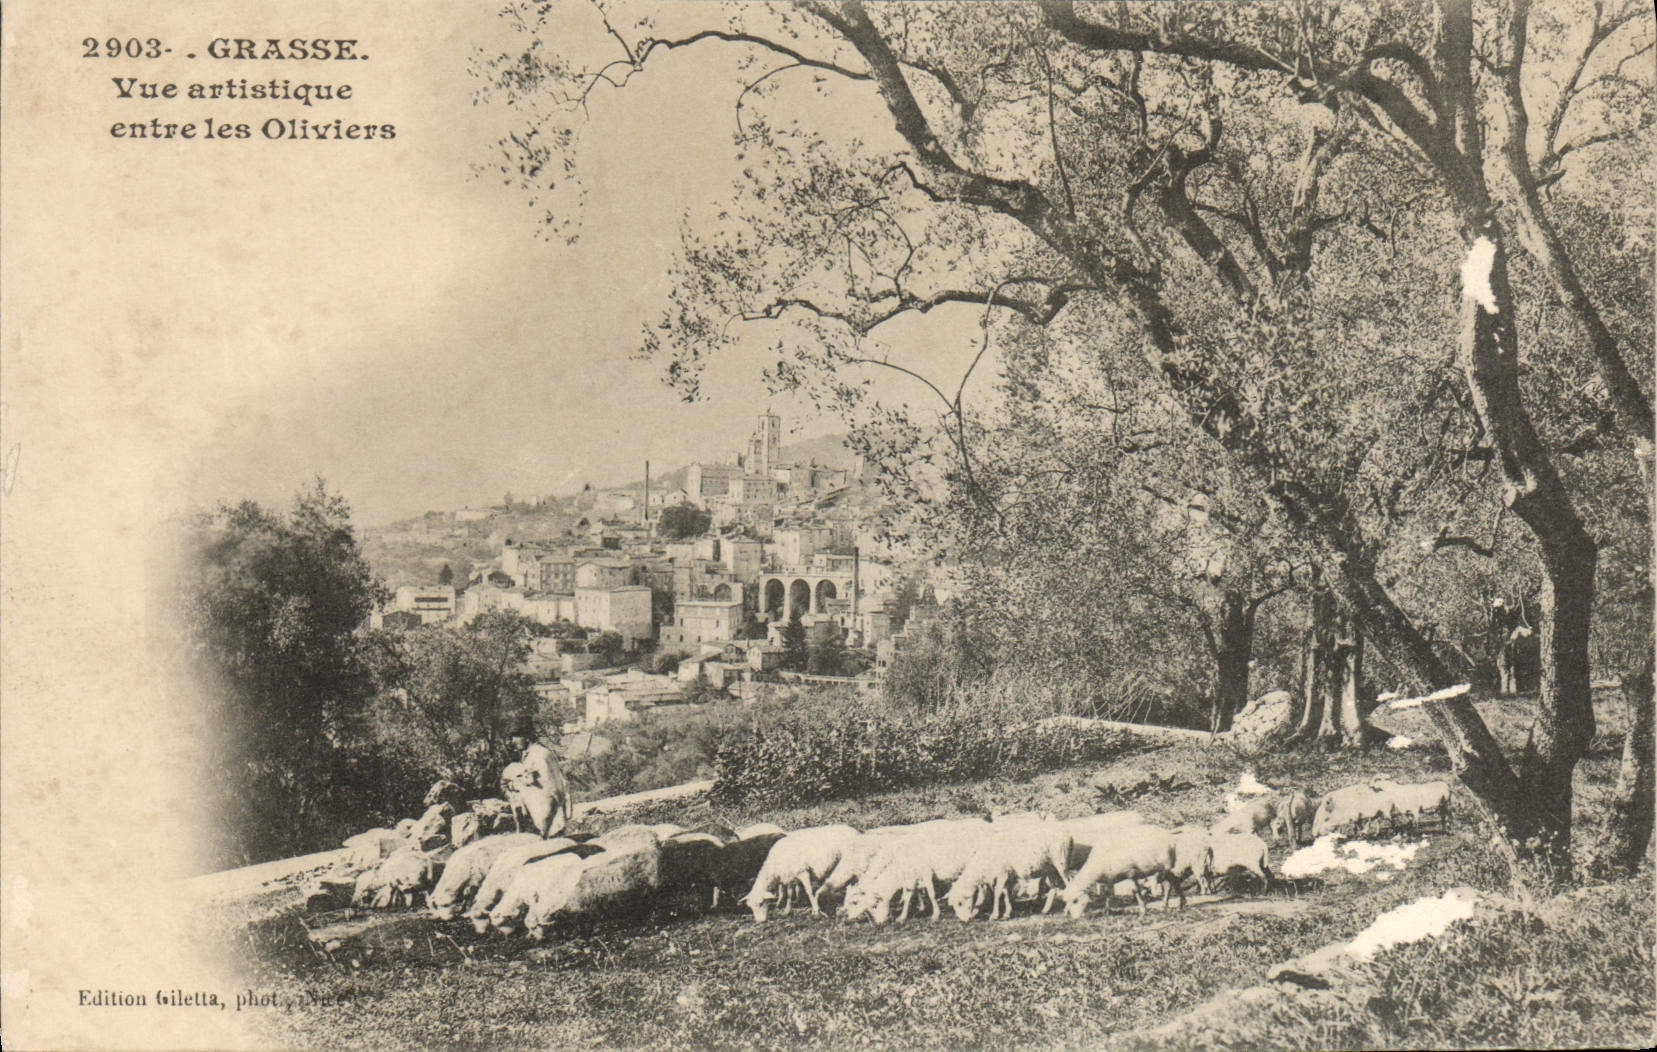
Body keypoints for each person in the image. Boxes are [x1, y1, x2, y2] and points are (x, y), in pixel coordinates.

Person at [508, 721, 571, 839]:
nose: (513, 741)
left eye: (516, 737)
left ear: (527, 737)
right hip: (543, 821)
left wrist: (545, 827)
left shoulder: (539, 755)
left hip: (547, 823)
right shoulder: (533, 754)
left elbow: (551, 791)